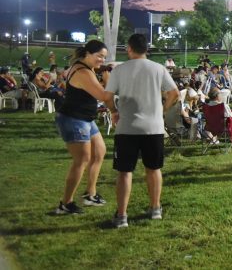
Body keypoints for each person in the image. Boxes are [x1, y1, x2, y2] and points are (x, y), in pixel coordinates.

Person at [105, 34, 179, 228]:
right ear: (146, 48)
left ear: (129, 48)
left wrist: (113, 111)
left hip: (126, 127)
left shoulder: (119, 70)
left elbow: (107, 96)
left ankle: (122, 216)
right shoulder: (158, 68)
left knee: (124, 172)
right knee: (154, 169)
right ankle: (155, 209)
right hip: (153, 127)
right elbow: (174, 93)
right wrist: (162, 110)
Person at [54, 40, 112, 215]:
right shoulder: (83, 72)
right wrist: (108, 81)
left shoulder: (86, 68)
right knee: (82, 160)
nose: (102, 60)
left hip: (85, 118)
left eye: (104, 57)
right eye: (99, 56)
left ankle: (90, 194)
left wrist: (101, 74)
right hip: (74, 119)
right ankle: (66, 203)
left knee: (100, 152)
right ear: (87, 53)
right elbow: (103, 95)